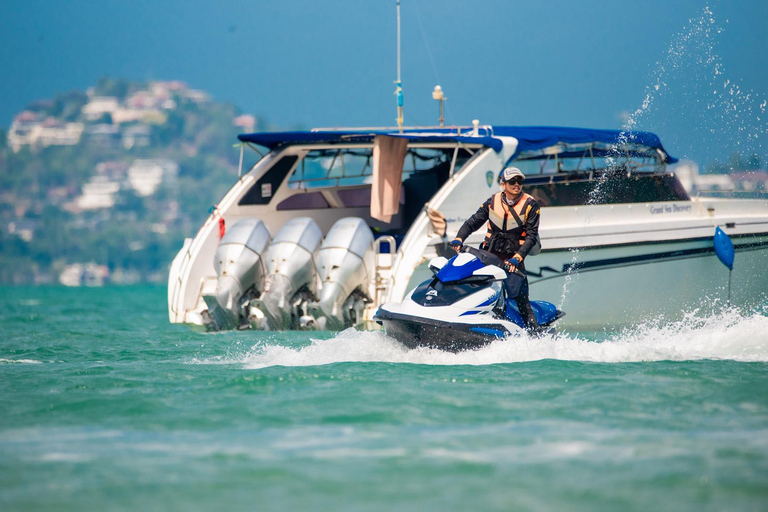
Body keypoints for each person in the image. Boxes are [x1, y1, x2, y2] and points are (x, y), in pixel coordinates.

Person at [450, 166, 541, 332]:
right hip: (489, 255)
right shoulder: (492, 202)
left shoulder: (530, 205)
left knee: (522, 303)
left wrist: (518, 258)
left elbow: (531, 237)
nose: (516, 184)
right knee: (476, 289)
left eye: (519, 181)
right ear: (503, 184)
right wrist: (459, 238)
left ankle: (536, 337)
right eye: (512, 181)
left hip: (513, 259)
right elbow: (472, 222)